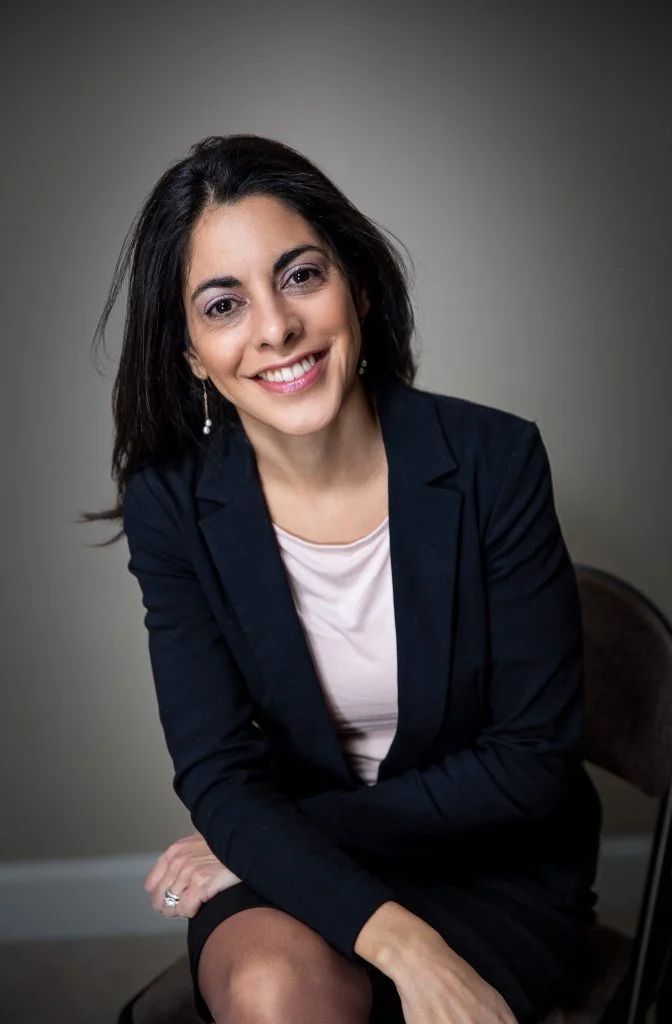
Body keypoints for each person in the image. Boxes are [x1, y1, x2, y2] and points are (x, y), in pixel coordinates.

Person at [87, 134, 602, 1024]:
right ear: (189, 355)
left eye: (299, 276)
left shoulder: (492, 460)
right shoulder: (170, 506)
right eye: (222, 304)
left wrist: (263, 840)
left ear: (356, 285)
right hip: (293, 870)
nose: (274, 328)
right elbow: (217, 771)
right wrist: (398, 939)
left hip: (491, 866)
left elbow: (530, 765)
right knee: (272, 991)